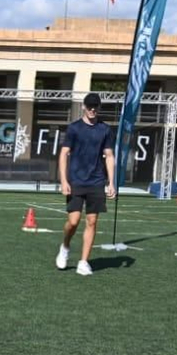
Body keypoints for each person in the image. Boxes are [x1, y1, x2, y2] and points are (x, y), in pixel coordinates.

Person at [55, 93, 117, 276]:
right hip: (76, 181)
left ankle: (83, 261)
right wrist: (64, 181)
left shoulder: (105, 129)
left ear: (99, 107)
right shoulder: (74, 128)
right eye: (89, 106)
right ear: (83, 106)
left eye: (95, 106)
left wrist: (111, 183)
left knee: (92, 221)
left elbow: (110, 156)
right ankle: (65, 247)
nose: (92, 109)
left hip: (96, 181)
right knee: (73, 222)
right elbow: (63, 154)